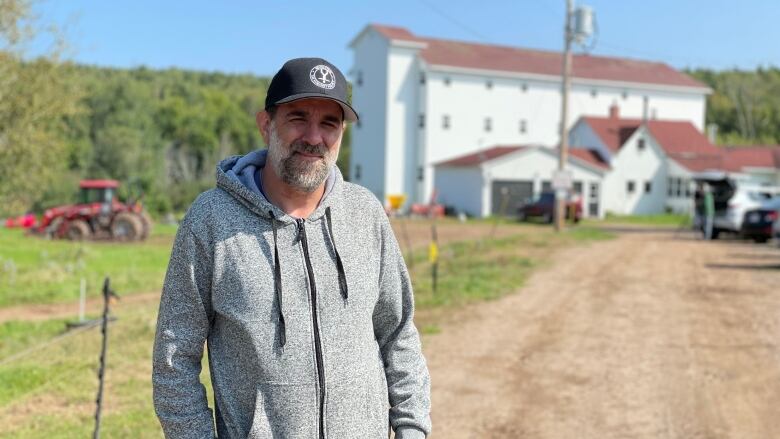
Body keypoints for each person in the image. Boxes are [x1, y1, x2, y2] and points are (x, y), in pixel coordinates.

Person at [152, 57, 431, 439]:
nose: (314, 137)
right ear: (267, 124)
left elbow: (398, 334)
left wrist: (412, 429)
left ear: (341, 135)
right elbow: (174, 360)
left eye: (329, 123)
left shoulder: (365, 214)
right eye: (298, 117)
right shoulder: (211, 220)